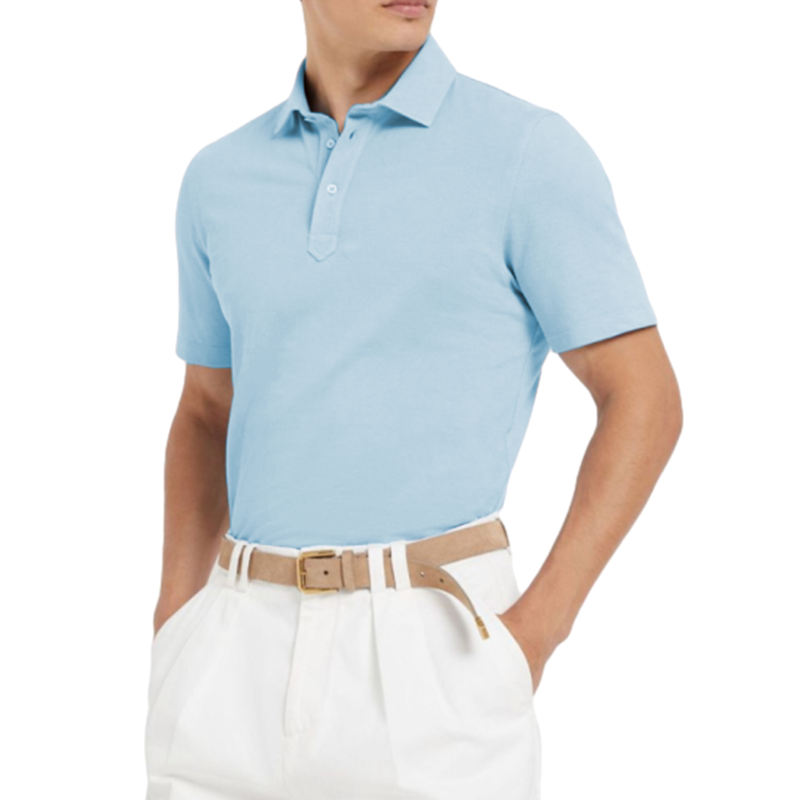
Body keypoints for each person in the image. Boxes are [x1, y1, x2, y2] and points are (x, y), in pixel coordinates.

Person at [144, 1, 683, 798]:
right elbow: (206, 410)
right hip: (233, 650)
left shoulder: (525, 152)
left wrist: (534, 636)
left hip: (433, 650)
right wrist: (175, 622)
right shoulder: (217, 179)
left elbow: (644, 398)